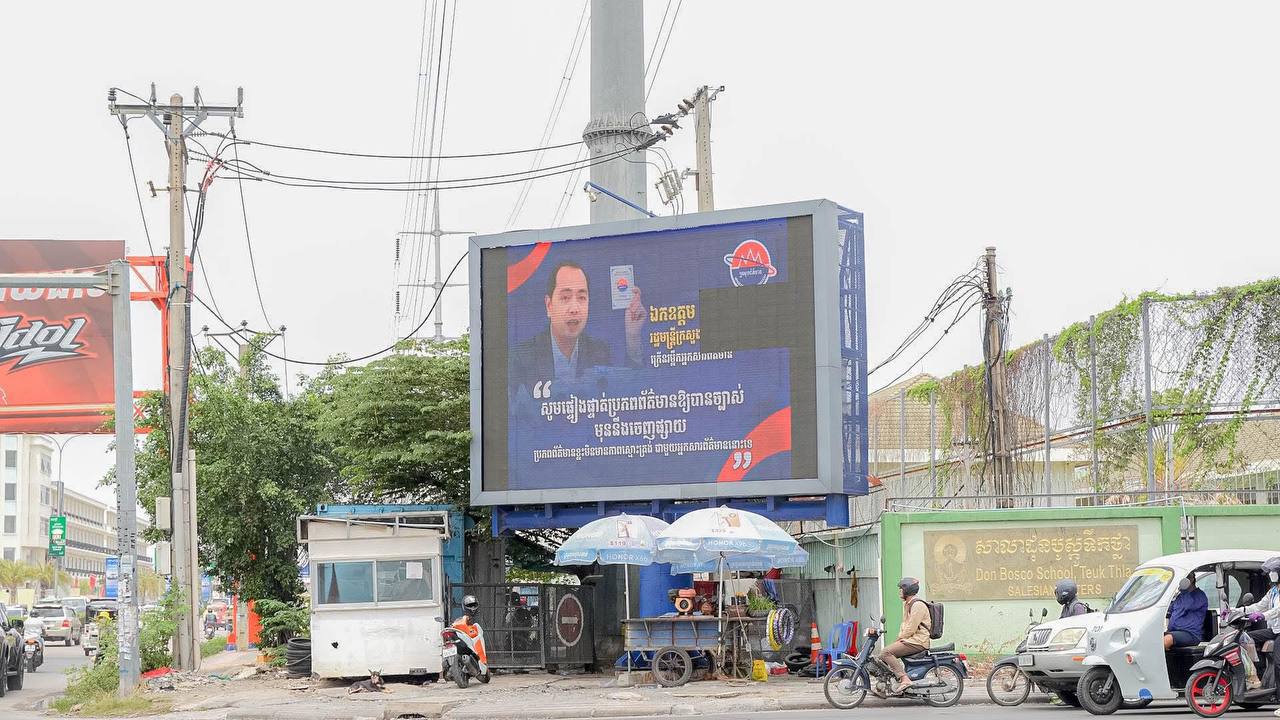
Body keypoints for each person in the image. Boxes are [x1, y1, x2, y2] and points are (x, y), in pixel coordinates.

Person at [510, 261, 646, 393]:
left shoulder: (599, 352)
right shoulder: (522, 357)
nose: (574, 309)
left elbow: (627, 394)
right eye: (565, 297)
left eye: (581, 297)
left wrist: (632, 336)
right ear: (549, 305)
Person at [871, 577, 931, 694]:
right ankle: (884, 687)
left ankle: (904, 679)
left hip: (918, 641)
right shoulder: (908, 604)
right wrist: (899, 639)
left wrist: (899, 639)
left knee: (885, 652)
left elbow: (911, 628)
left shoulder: (917, 605)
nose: (899, 591)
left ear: (907, 590)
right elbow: (905, 625)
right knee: (881, 658)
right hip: (911, 640)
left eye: (901, 589)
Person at [1243, 556, 1280, 704]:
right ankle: (1253, 676)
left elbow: (1277, 610)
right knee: (1245, 638)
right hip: (1274, 629)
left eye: (1273, 571)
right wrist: (1236, 611)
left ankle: (1279, 697)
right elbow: (1258, 606)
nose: (1271, 574)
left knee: (1278, 662)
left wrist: (1262, 616)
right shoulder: (1273, 591)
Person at [1164, 575, 1209, 649]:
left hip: (1190, 634)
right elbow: (1169, 610)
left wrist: (1184, 589)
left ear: (1191, 579)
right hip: (1174, 631)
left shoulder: (1199, 595)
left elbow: (1187, 605)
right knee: (1153, 637)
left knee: (1167, 639)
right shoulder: (1180, 596)